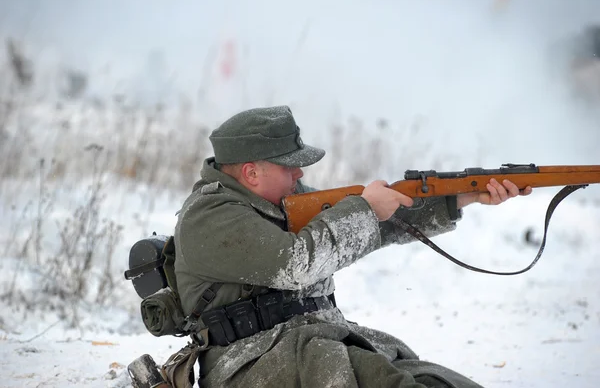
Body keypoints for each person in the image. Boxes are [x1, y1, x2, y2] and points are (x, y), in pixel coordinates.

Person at [173, 105, 532, 388]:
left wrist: (464, 197)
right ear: (251, 173)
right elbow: (298, 263)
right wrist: (363, 207)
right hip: (248, 363)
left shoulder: (280, 199)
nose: (299, 176)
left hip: (312, 343)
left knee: (437, 381)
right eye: (289, 167)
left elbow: (379, 224)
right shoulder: (210, 215)